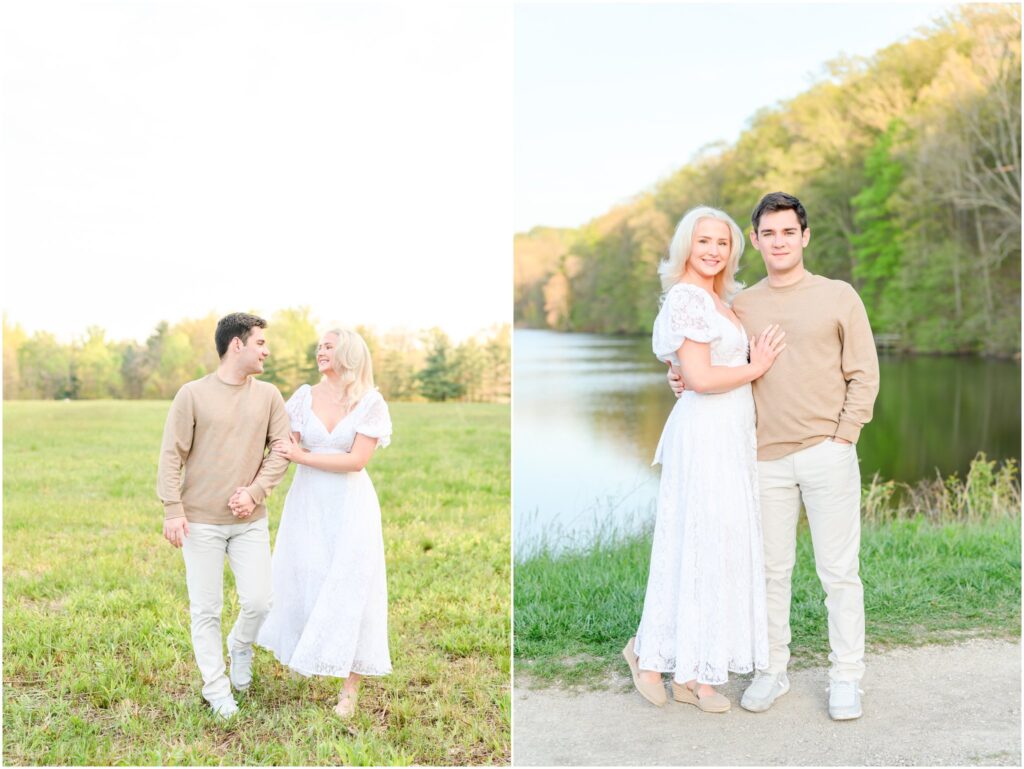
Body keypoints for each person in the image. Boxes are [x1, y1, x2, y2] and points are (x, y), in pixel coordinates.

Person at [669, 192, 880, 720]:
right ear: (756, 240)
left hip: (827, 452)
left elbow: (864, 372)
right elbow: (710, 358)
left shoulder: (839, 295)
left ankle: (846, 677)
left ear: (804, 237)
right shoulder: (743, 305)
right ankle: (772, 671)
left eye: (789, 231)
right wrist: (678, 377)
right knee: (770, 572)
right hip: (761, 459)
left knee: (839, 573)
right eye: (769, 233)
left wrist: (844, 435)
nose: (779, 241)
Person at [623, 206, 786, 714]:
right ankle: (649, 657)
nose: (714, 250)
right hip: (707, 434)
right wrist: (755, 366)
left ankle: (696, 673)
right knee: (694, 542)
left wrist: (717, 371)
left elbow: (691, 372)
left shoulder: (720, 300)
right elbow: (698, 378)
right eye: (704, 241)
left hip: (730, 434)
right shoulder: (689, 299)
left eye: (722, 242)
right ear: (686, 247)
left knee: (717, 548)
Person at [157, 312, 292, 720]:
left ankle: (241, 645)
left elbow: (281, 451)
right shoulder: (192, 394)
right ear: (238, 344)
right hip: (199, 522)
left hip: (250, 522)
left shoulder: (269, 395)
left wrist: (253, 493)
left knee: (260, 601)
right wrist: (172, 508)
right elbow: (171, 453)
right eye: (261, 343)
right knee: (206, 608)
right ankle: (217, 689)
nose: (266, 350)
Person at [257, 328, 393, 719]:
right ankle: (308, 652)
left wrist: (302, 456)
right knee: (305, 577)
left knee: (354, 585)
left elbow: (355, 460)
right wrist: (255, 488)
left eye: (328, 347)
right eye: (318, 346)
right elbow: (284, 446)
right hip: (309, 503)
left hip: (351, 504)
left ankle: (349, 689)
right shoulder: (303, 397)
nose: (320, 351)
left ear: (348, 353)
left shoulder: (370, 402)